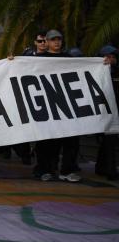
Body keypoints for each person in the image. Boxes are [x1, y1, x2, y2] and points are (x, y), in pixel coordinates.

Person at [34, 29, 81, 182]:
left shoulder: (69, 58)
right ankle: (44, 170)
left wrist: (103, 63)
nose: (56, 42)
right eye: (53, 39)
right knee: (45, 141)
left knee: (71, 140)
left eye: (59, 39)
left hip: (67, 106)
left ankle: (67, 170)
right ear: (46, 42)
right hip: (47, 106)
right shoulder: (38, 59)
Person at [96, 45, 118, 180]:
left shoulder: (116, 70)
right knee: (109, 140)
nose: (112, 59)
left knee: (109, 141)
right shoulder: (98, 72)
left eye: (113, 56)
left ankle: (101, 167)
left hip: (114, 109)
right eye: (109, 56)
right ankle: (110, 169)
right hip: (105, 111)